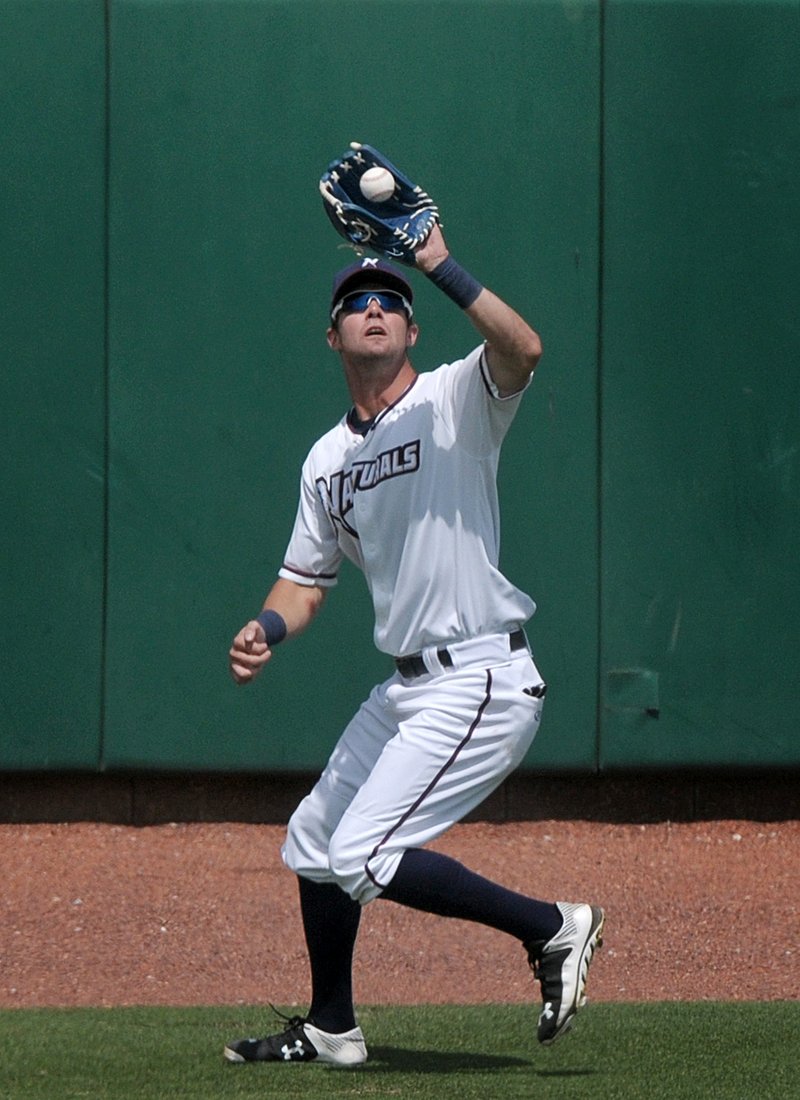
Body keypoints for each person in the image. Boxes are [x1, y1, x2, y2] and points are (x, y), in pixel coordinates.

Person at [224, 224, 604, 1065]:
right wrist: (269, 627)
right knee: (316, 841)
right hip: (408, 688)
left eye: (388, 301)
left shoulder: (453, 399)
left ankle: (552, 929)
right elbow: (306, 580)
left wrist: (433, 262)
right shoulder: (326, 460)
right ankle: (333, 1026)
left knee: (364, 851)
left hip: (479, 673)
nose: (373, 310)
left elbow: (525, 347)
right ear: (333, 335)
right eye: (356, 303)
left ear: (412, 327)